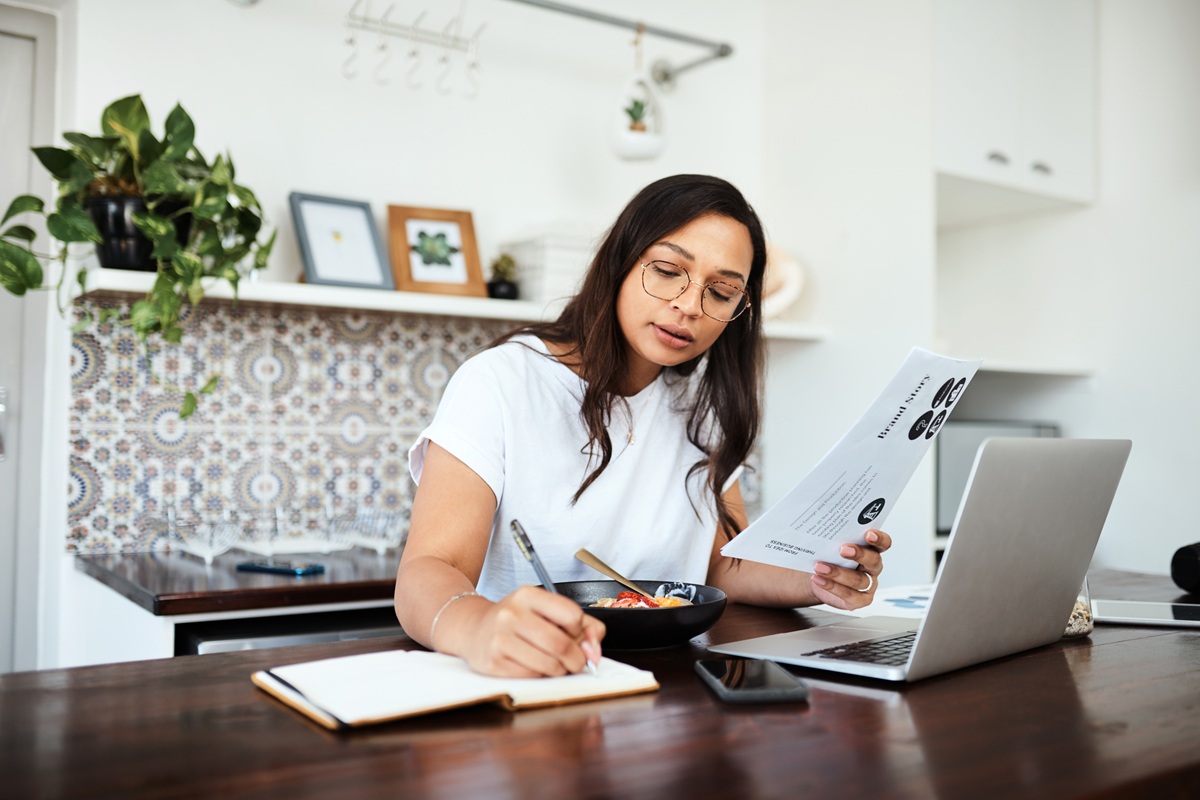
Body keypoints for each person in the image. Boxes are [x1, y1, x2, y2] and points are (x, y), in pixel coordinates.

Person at [395, 174, 890, 678]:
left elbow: (723, 567)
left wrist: (820, 577)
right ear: (621, 261)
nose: (690, 306)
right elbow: (427, 571)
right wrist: (479, 627)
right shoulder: (500, 381)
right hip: (535, 678)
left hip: (668, 685)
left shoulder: (702, 408)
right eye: (670, 270)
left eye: (721, 292)